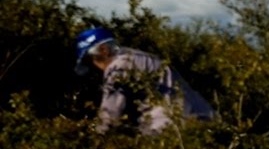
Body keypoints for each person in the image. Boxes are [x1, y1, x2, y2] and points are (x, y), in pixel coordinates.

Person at [74, 27, 216, 135]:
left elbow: (110, 114)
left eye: (91, 59)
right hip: (205, 120)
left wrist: (95, 141)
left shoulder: (119, 66)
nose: (94, 65)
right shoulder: (142, 57)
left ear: (104, 50)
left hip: (170, 129)